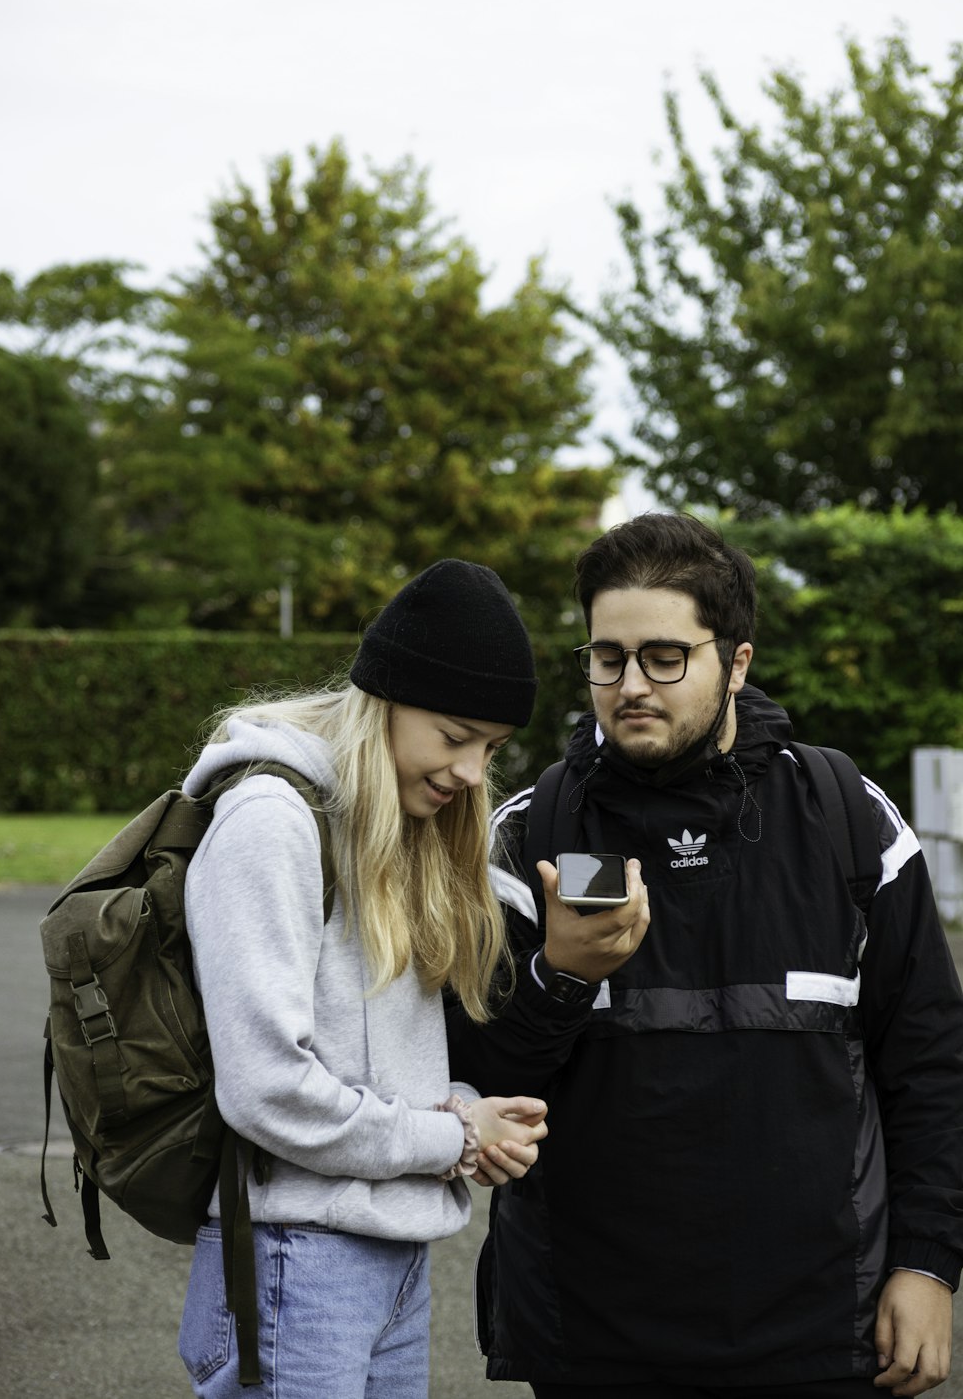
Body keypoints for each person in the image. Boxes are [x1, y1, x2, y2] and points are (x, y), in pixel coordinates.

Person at [448, 513, 963, 1399]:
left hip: (820, 1333)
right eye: (606, 658)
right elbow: (470, 1083)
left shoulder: (849, 816)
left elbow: (931, 1061)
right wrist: (560, 977)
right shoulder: (525, 834)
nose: (630, 685)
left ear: (737, 662)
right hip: (594, 1337)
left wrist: (927, 1265)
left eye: (664, 657)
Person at [176, 558, 552, 1399]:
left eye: (490, 748)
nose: (469, 773)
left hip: (392, 1261)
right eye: (454, 737)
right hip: (295, 1264)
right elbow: (267, 1088)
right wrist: (451, 1141)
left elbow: (368, 1063)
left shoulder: (398, 834)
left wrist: (463, 1112)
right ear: (385, 698)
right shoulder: (271, 823)